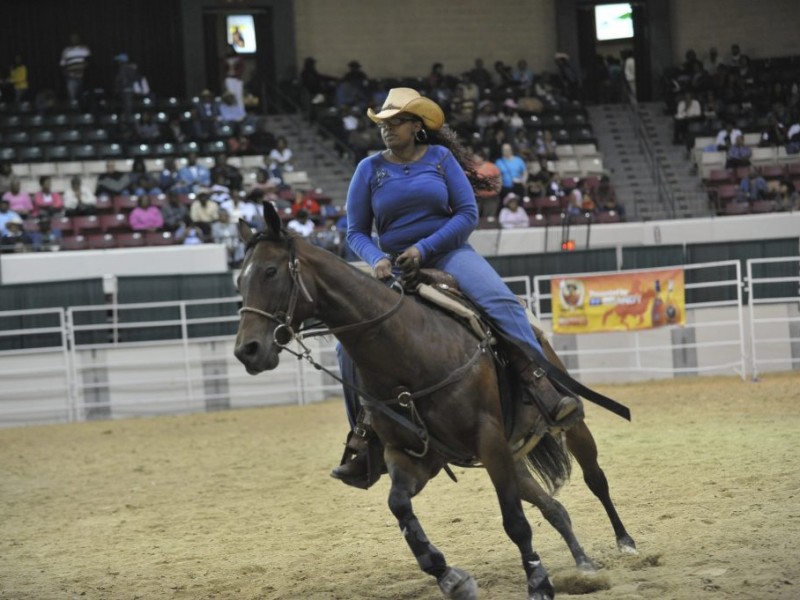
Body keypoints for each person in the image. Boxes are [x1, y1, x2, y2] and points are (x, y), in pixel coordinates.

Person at [331, 87, 583, 486]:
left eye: (395, 122)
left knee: (501, 302)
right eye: (382, 123)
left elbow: (467, 214)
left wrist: (425, 247)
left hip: (449, 252)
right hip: (395, 264)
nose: (386, 129)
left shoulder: (440, 159)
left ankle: (542, 385)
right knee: (347, 344)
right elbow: (355, 232)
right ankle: (363, 441)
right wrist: (377, 258)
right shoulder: (369, 169)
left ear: (416, 126)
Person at [60, 33, 91, 103]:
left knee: (84, 96)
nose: (75, 40)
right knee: (73, 97)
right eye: (73, 38)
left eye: (76, 38)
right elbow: (63, 65)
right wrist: (67, 74)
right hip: (72, 77)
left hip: (84, 77)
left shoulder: (85, 49)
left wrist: (85, 73)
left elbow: (89, 62)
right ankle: (74, 110)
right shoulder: (66, 51)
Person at [472, 150, 502, 219]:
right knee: (475, 216)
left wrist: (498, 189)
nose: (474, 158)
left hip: (491, 196)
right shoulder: (472, 168)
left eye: (476, 157)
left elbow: (499, 178)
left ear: (481, 157)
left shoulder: (492, 166)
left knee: (489, 217)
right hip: (477, 197)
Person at [221, 45, 245, 109]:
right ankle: (232, 110)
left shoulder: (239, 58)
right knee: (230, 95)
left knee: (239, 95)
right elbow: (223, 70)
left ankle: (241, 111)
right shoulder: (225, 59)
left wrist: (238, 74)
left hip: (237, 78)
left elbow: (242, 68)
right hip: (229, 78)